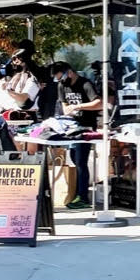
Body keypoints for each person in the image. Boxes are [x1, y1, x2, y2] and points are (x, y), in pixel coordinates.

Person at [53, 62, 102, 209]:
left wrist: (78, 106)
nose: (61, 82)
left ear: (70, 72)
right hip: (71, 127)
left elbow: (99, 103)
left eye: (62, 77)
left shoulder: (86, 84)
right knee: (75, 159)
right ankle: (77, 193)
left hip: (86, 127)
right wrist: (68, 110)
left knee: (81, 161)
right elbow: (64, 106)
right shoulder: (61, 86)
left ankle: (83, 197)